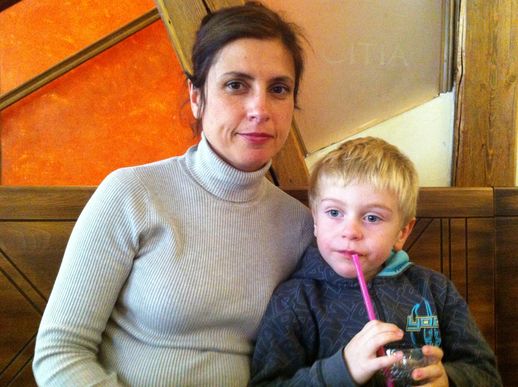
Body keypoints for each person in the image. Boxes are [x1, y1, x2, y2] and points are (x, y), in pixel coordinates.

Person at [33, 2, 314, 386]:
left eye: (278, 89)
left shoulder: (300, 225)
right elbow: (59, 351)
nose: (260, 108)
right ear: (197, 97)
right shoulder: (132, 194)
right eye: (236, 85)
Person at [250, 137, 502, 386]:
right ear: (315, 221)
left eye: (372, 217)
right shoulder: (293, 300)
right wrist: (341, 369)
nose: (350, 231)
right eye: (334, 213)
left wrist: (448, 380)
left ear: (402, 232)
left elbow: (486, 375)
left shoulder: (437, 290)